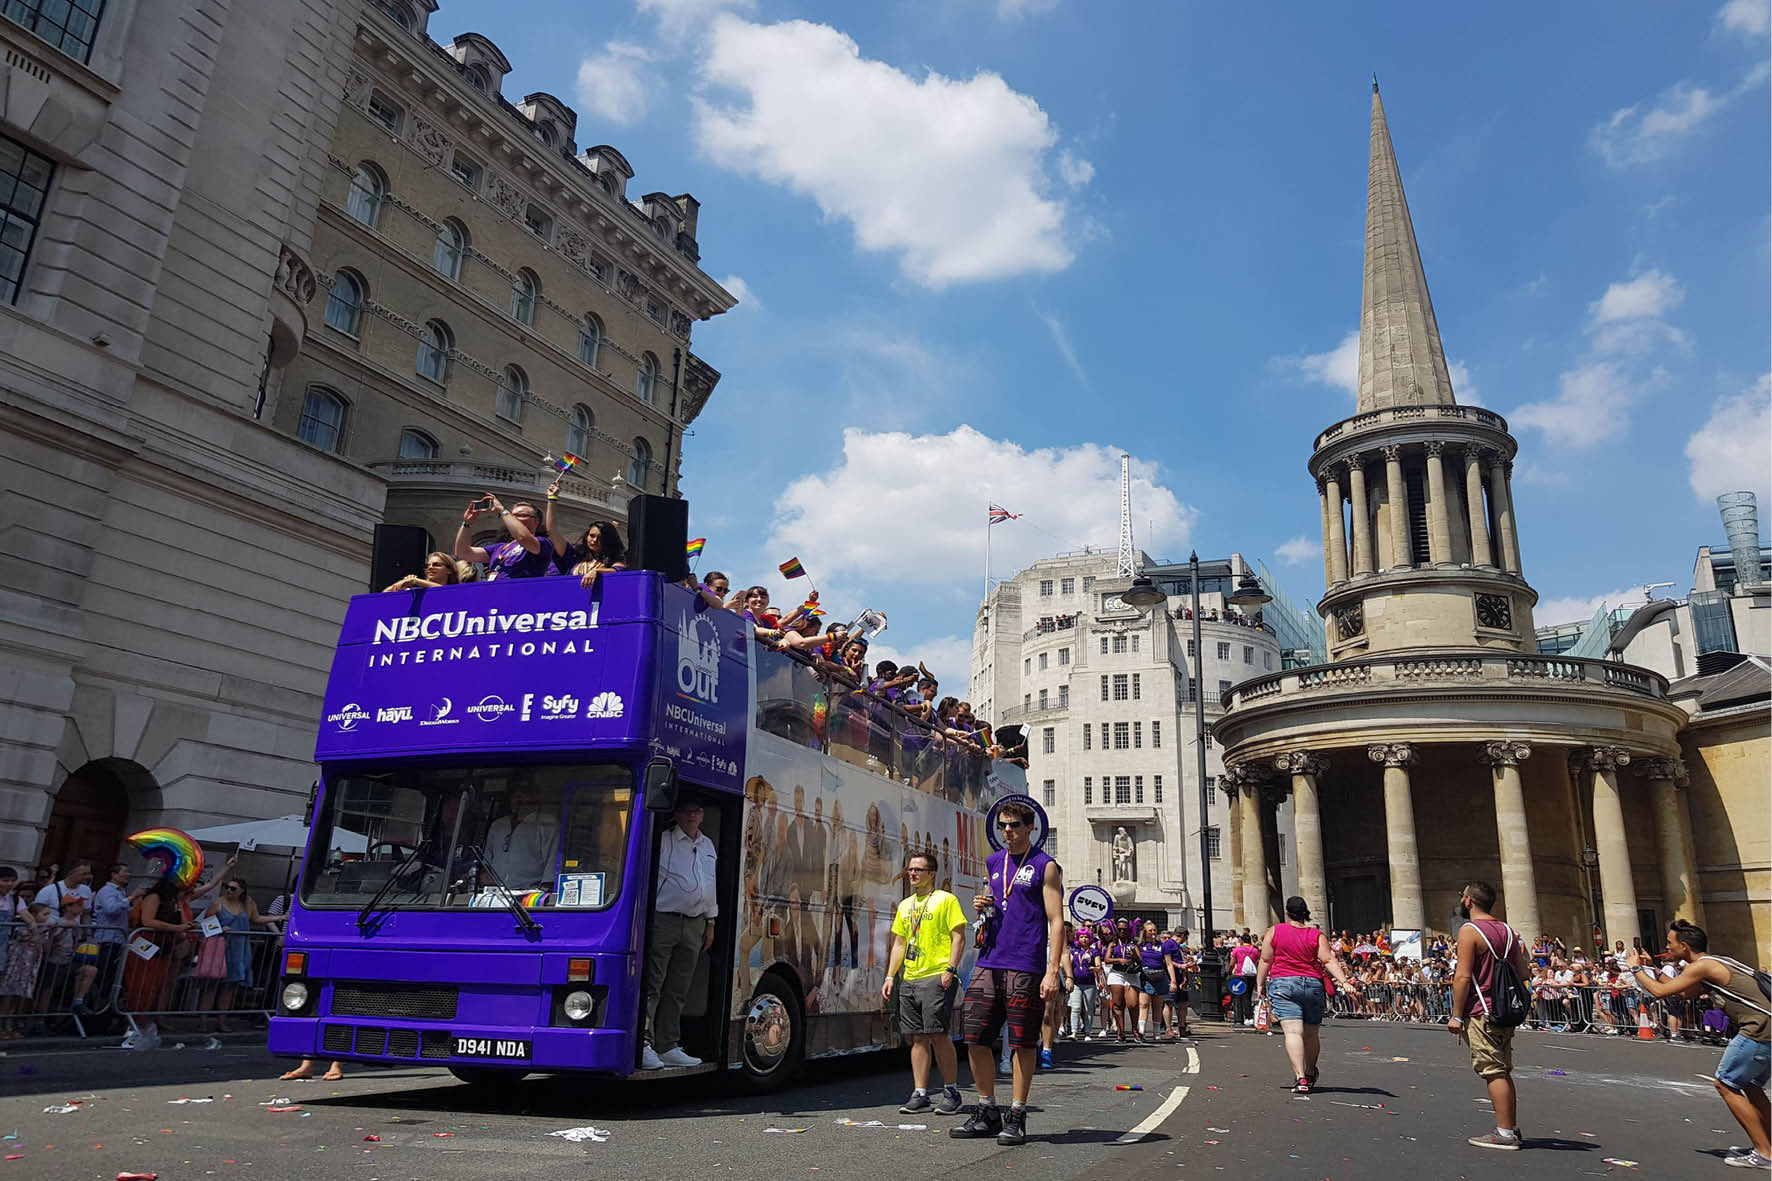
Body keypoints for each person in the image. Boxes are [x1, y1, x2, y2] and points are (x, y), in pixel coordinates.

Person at [950, 799, 1062, 1147]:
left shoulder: (1046, 866)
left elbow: (1057, 921)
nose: (1007, 832)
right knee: (974, 1036)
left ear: (1030, 828)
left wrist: (1052, 971)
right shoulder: (994, 862)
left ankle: (1017, 1114)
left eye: (1014, 825)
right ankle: (987, 1110)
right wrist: (983, 905)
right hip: (989, 959)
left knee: (1022, 1042)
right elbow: (997, 902)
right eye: (1003, 826)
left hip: (1025, 963)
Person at [1626, 920, 1771, 1168]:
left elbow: (1660, 993)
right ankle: (1767, 1144)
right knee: (1751, 1086)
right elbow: (1681, 992)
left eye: (1670, 943)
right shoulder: (1716, 962)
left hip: (1757, 1028)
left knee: (1725, 1084)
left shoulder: (1702, 966)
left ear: (1684, 946)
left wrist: (1635, 970)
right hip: (1767, 1026)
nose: (1666, 947)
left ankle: (1764, 1153)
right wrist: (1652, 969)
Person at [882, 849, 968, 1116]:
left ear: (931, 873)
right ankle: (920, 1093)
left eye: (918, 870)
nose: (913, 874)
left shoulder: (946, 900)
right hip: (910, 976)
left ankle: (951, 1091)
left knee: (937, 1033)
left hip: (936, 974)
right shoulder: (906, 906)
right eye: (910, 869)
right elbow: (899, 943)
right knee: (917, 1037)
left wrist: (950, 969)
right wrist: (890, 975)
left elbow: (958, 937)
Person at [1447, 880, 1529, 1151]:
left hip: (1482, 1011)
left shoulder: (1469, 931)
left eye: (1463, 896)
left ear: (1468, 901)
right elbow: (1523, 972)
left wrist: (1456, 1016)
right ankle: (1511, 1126)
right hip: (1505, 1010)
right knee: (1503, 1070)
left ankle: (1505, 1133)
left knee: (1493, 1071)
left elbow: (1462, 976)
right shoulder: (1507, 930)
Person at [1254, 895, 1361, 1095]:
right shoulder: (1316, 934)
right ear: (1306, 913)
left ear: (1287, 912)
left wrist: (1260, 983)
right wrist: (1344, 981)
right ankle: (1311, 1072)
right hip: (1312, 984)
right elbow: (1328, 959)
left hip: (1283, 983)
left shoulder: (1275, 931)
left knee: (1293, 1032)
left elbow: (1266, 960)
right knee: (1311, 1033)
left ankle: (1300, 1077)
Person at [641, 800, 717, 1070]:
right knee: (653, 985)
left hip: (695, 923)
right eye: (688, 811)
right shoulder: (663, 841)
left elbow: (710, 884)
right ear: (677, 815)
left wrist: (711, 922)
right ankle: (644, 1043)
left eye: (697, 811)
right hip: (665, 919)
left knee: (678, 990)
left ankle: (668, 1045)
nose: (693, 815)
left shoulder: (707, 844)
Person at [195, 879, 280, 1030]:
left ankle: (222, 1021)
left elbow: (257, 918)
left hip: (239, 948)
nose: (229, 890)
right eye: (227, 887)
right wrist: (220, 928)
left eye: (233, 889)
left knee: (230, 987)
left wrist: (279, 918)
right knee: (211, 986)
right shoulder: (218, 903)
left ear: (241, 890)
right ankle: (203, 1021)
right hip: (219, 947)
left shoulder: (248, 903)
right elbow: (205, 923)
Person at [453, 494, 554, 580]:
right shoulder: (500, 548)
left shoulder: (543, 543)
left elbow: (523, 537)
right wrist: (467, 523)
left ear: (537, 521)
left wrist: (502, 510)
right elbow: (463, 553)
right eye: (512, 515)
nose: (514, 519)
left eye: (521, 515)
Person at [481, 786, 559, 890]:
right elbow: (486, 858)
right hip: (496, 892)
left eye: (523, 796)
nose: (519, 800)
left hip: (530, 892)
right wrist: (484, 873)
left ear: (534, 798)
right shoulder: (498, 825)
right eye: (515, 797)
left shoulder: (547, 824)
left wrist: (546, 888)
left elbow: (552, 860)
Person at [382, 551, 460, 592]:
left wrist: (415, 581)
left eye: (436, 565)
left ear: (449, 570)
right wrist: (402, 584)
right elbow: (384, 595)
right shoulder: (419, 591)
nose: (430, 568)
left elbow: (445, 592)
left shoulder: (456, 590)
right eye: (427, 566)